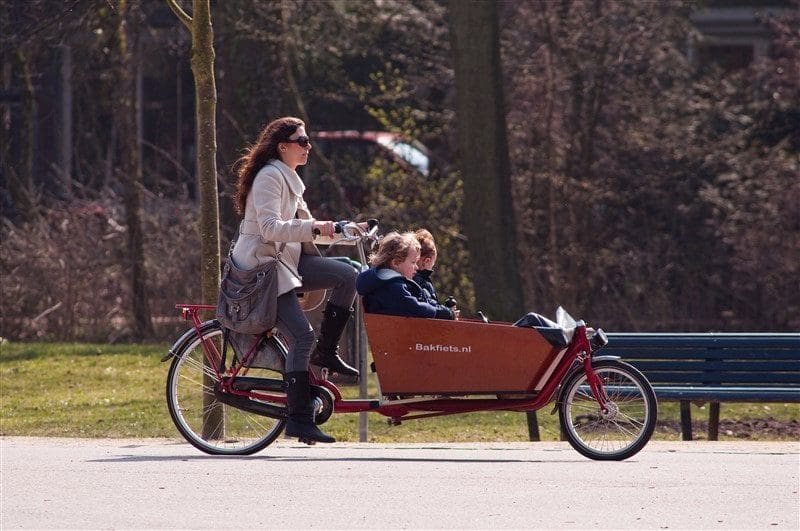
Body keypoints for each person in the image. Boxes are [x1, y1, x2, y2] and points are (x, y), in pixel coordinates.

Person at [230, 116, 359, 444]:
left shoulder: (289, 177)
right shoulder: (269, 178)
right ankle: (300, 420)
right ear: (282, 146)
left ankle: (326, 352)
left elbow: (306, 227)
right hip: (263, 271)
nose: (307, 146)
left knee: (349, 276)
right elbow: (271, 229)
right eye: (301, 141)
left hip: (286, 263)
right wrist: (317, 227)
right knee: (302, 337)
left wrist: (344, 231)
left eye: (307, 141)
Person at [356, 232, 456, 319]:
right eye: (413, 262)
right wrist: (446, 313)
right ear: (396, 263)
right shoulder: (393, 287)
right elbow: (415, 308)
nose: (416, 267)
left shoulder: (381, 283)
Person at [412, 228, 440, 305]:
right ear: (427, 261)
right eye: (432, 264)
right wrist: (448, 311)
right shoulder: (423, 282)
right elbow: (431, 304)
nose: (432, 268)